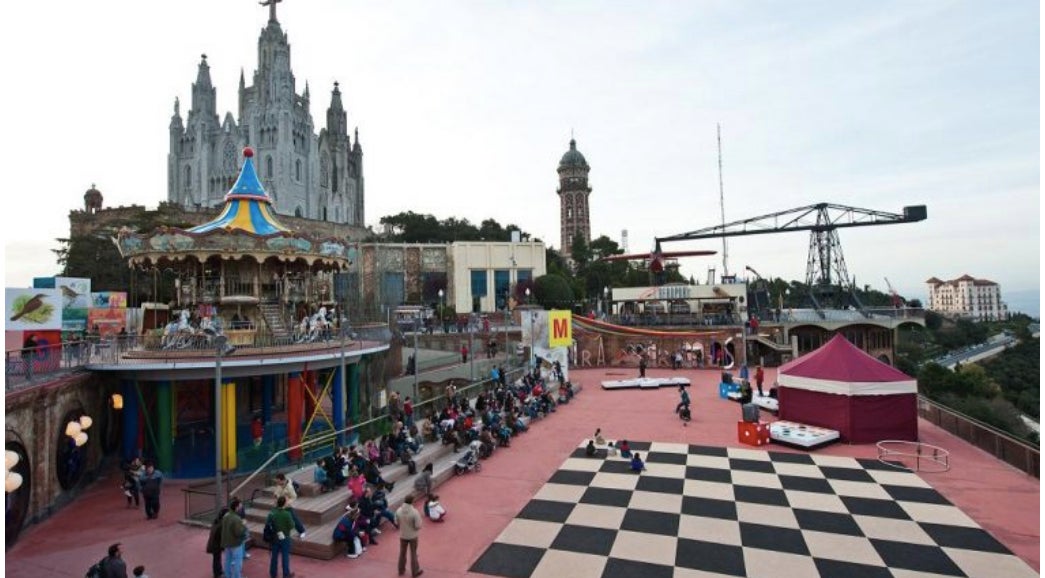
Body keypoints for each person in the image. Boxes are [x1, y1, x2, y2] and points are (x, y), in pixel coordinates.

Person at [266, 496, 297, 578]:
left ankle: (273, 573)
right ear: (284, 503)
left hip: (274, 537)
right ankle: (286, 574)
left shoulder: (272, 513)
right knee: (285, 556)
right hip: (285, 537)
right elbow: (292, 526)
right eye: (286, 501)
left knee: (274, 557)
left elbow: (268, 523)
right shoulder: (287, 514)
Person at [396, 494, 424, 577]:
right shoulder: (414, 512)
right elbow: (418, 525)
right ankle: (415, 571)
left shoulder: (398, 510)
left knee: (402, 553)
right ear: (412, 501)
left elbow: (396, 522)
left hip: (403, 535)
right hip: (412, 536)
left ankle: (401, 569)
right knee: (413, 553)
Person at [221, 497, 248, 578]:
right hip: (235, 544)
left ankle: (228, 575)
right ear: (236, 507)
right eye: (239, 506)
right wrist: (244, 525)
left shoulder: (226, 516)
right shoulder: (236, 519)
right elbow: (239, 533)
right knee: (237, 562)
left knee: (228, 561)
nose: (240, 507)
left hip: (227, 542)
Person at [206, 507, 228, 578]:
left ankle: (219, 571)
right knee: (216, 559)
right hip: (215, 545)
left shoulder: (217, 521)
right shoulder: (221, 524)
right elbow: (220, 536)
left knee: (217, 558)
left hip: (213, 544)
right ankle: (217, 574)